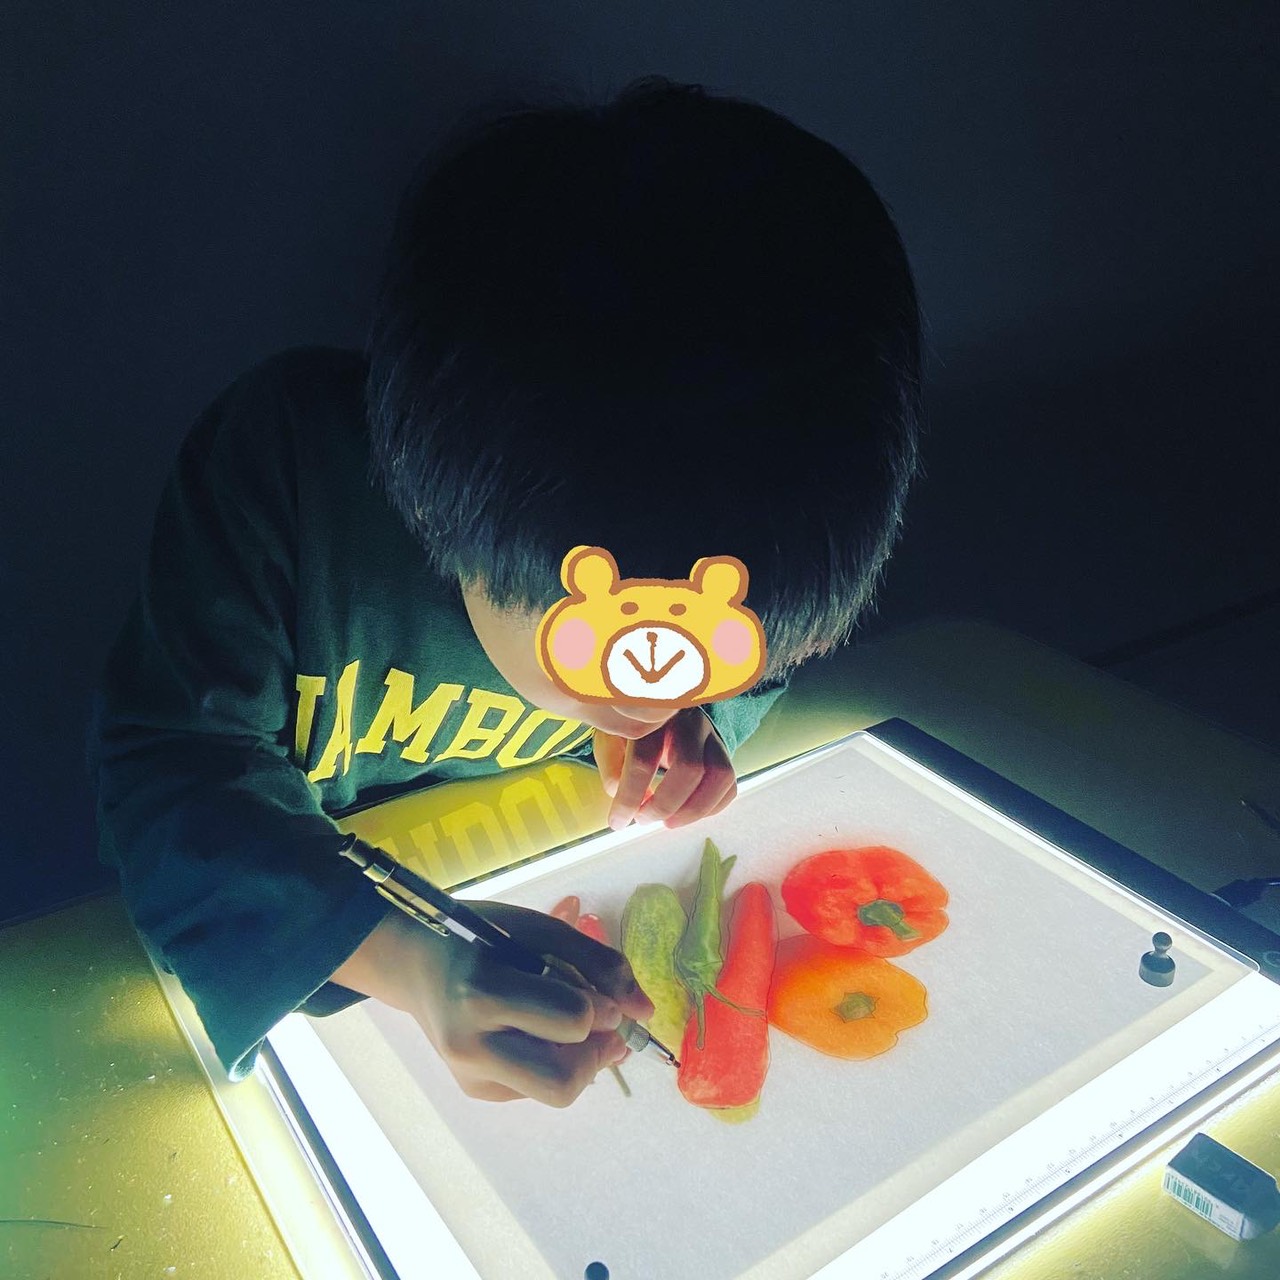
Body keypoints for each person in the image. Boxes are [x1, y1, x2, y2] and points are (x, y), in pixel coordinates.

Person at [88, 76, 922, 1107]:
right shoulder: (289, 475)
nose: (658, 685)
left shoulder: (752, 565)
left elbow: (755, 670)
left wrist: (701, 722)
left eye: (723, 655)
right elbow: (168, 775)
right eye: (609, 648)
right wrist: (406, 960)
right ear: (453, 515)